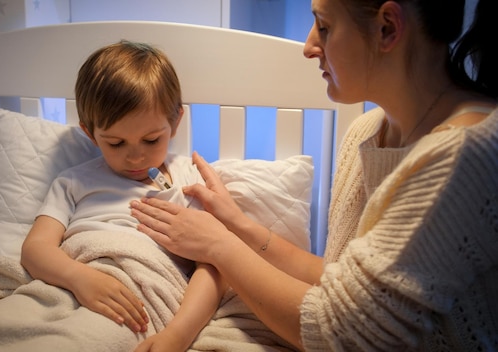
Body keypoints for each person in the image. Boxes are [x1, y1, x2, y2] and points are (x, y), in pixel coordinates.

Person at [129, 0, 498, 350]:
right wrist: (239, 225)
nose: (308, 46)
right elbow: (337, 276)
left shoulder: (464, 155)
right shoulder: (368, 130)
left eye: (324, 26)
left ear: (387, 27)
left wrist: (218, 246)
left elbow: (342, 334)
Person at [21, 41, 227, 352]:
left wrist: (177, 335)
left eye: (151, 139)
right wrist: (80, 278)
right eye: (116, 143)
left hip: (138, 295)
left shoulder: (190, 180)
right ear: (91, 134)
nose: (135, 157)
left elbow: (214, 266)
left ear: (175, 123)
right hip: (71, 281)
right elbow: (35, 250)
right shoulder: (73, 182)